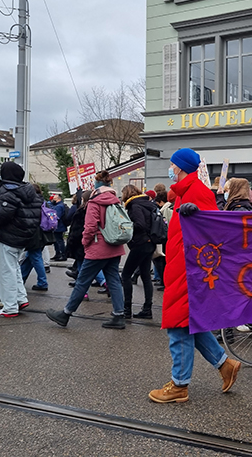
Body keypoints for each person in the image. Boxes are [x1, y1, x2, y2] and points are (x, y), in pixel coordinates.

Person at [149, 148, 241, 404]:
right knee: (188, 324)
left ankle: (179, 385)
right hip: (182, 267)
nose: (170, 168)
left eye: (172, 164)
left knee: (177, 326)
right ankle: (225, 365)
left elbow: (216, 229)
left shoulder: (197, 192)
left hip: (190, 271)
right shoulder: (183, 193)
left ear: (180, 167)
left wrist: (199, 216)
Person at [46, 171, 127, 329]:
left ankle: (65, 314)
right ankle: (119, 315)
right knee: (114, 281)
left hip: (98, 248)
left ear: (97, 185)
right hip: (115, 246)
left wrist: (85, 242)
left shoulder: (95, 202)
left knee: (82, 281)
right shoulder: (115, 201)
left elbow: (90, 227)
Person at [0, 162, 42, 318]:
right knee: (14, 269)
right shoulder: (28, 190)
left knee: (6, 271)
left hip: (9, 235)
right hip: (24, 236)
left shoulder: (7, 190)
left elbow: (4, 213)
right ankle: (20, 298)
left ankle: (10, 306)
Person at [121, 184, 157, 320]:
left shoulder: (134, 206)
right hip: (150, 243)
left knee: (125, 275)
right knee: (146, 275)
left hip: (140, 243)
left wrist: (126, 226)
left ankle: (126, 309)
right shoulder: (148, 204)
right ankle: (147, 309)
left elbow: (140, 224)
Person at [20, 184, 54, 292]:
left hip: (34, 233)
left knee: (35, 256)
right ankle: (21, 279)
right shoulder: (43, 202)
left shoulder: (31, 202)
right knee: (31, 257)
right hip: (42, 233)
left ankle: (42, 282)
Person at [51, 194, 68, 261]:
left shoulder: (59, 206)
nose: (53, 200)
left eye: (54, 199)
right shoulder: (61, 205)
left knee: (59, 241)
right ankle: (58, 254)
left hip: (59, 226)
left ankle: (61, 254)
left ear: (58, 199)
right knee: (57, 241)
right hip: (60, 226)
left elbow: (57, 216)